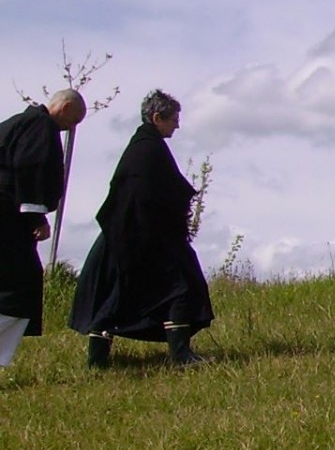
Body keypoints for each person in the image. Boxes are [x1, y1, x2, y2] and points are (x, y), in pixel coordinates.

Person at [68, 90, 216, 366]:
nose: (177, 125)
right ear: (157, 117)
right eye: (173, 119)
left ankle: (98, 363)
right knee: (181, 286)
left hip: (125, 236)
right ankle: (181, 356)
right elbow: (149, 196)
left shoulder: (143, 147)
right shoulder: (148, 149)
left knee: (114, 295)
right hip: (143, 237)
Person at [0, 90, 86, 369]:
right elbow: (30, 169)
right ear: (66, 106)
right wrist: (36, 218)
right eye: (75, 120)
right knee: (17, 289)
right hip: (8, 219)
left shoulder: (14, 123)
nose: (71, 128)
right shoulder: (41, 125)